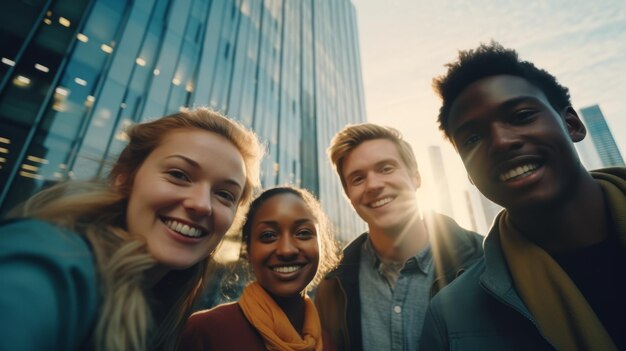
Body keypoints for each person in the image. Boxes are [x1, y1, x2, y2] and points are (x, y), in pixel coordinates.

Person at [0, 108, 263, 351]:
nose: (202, 205)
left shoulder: (168, 307)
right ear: (123, 177)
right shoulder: (55, 257)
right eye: (179, 175)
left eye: (224, 194)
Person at [421, 41, 626, 350]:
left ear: (571, 124)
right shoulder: (450, 316)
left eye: (521, 115)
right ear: (468, 173)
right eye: (472, 138)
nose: (501, 142)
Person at [314, 123, 484, 351]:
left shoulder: (485, 259)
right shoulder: (332, 287)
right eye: (357, 178)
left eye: (386, 168)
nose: (373, 185)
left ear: (416, 178)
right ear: (349, 197)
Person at [179, 186, 340, 351]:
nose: (286, 250)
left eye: (303, 233)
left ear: (322, 244)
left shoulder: (328, 343)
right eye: (268, 235)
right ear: (247, 250)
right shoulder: (204, 331)